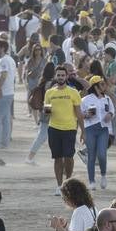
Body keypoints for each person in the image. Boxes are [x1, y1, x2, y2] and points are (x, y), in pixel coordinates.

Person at [41, 65, 82, 194]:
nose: (60, 77)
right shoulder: (49, 92)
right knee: (57, 158)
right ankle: (59, 185)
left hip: (70, 129)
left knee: (69, 157)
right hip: (54, 128)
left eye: (62, 75)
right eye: (58, 75)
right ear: (55, 76)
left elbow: (79, 113)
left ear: (66, 76)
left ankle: (68, 183)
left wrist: (83, 131)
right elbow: (46, 111)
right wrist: (46, 112)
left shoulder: (73, 92)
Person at [80, 75, 114, 188]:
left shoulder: (107, 99)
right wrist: (86, 115)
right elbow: (79, 115)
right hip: (90, 128)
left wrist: (110, 114)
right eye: (102, 84)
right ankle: (91, 181)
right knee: (91, 156)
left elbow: (112, 110)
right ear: (95, 86)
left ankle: (103, 175)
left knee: (102, 154)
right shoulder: (85, 99)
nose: (104, 86)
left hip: (103, 129)